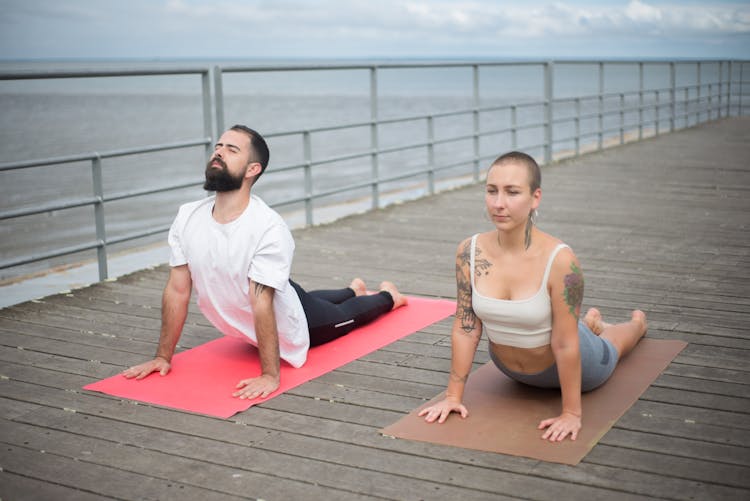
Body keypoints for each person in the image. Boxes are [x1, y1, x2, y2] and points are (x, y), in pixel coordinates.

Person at [123, 124, 407, 399]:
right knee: (299, 295)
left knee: (348, 315)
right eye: (218, 146)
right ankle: (351, 288)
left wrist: (270, 375)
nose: (218, 152)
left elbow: (262, 303)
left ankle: (388, 296)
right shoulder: (187, 216)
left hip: (291, 319)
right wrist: (162, 357)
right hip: (274, 288)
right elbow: (177, 290)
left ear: (252, 169)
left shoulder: (268, 227)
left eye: (231, 149)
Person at [418, 151, 647, 442]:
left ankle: (636, 325)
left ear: (535, 197)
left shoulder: (561, 260)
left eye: (512, 192)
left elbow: (565, 343)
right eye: (492, 191)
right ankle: (588, 322)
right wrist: (452, 396)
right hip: (509, 369)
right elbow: (466, 327)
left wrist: (571, 414)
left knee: (609, 346)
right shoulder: (469, 251)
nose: (499, 203)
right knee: (569, 324)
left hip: (575, 367)